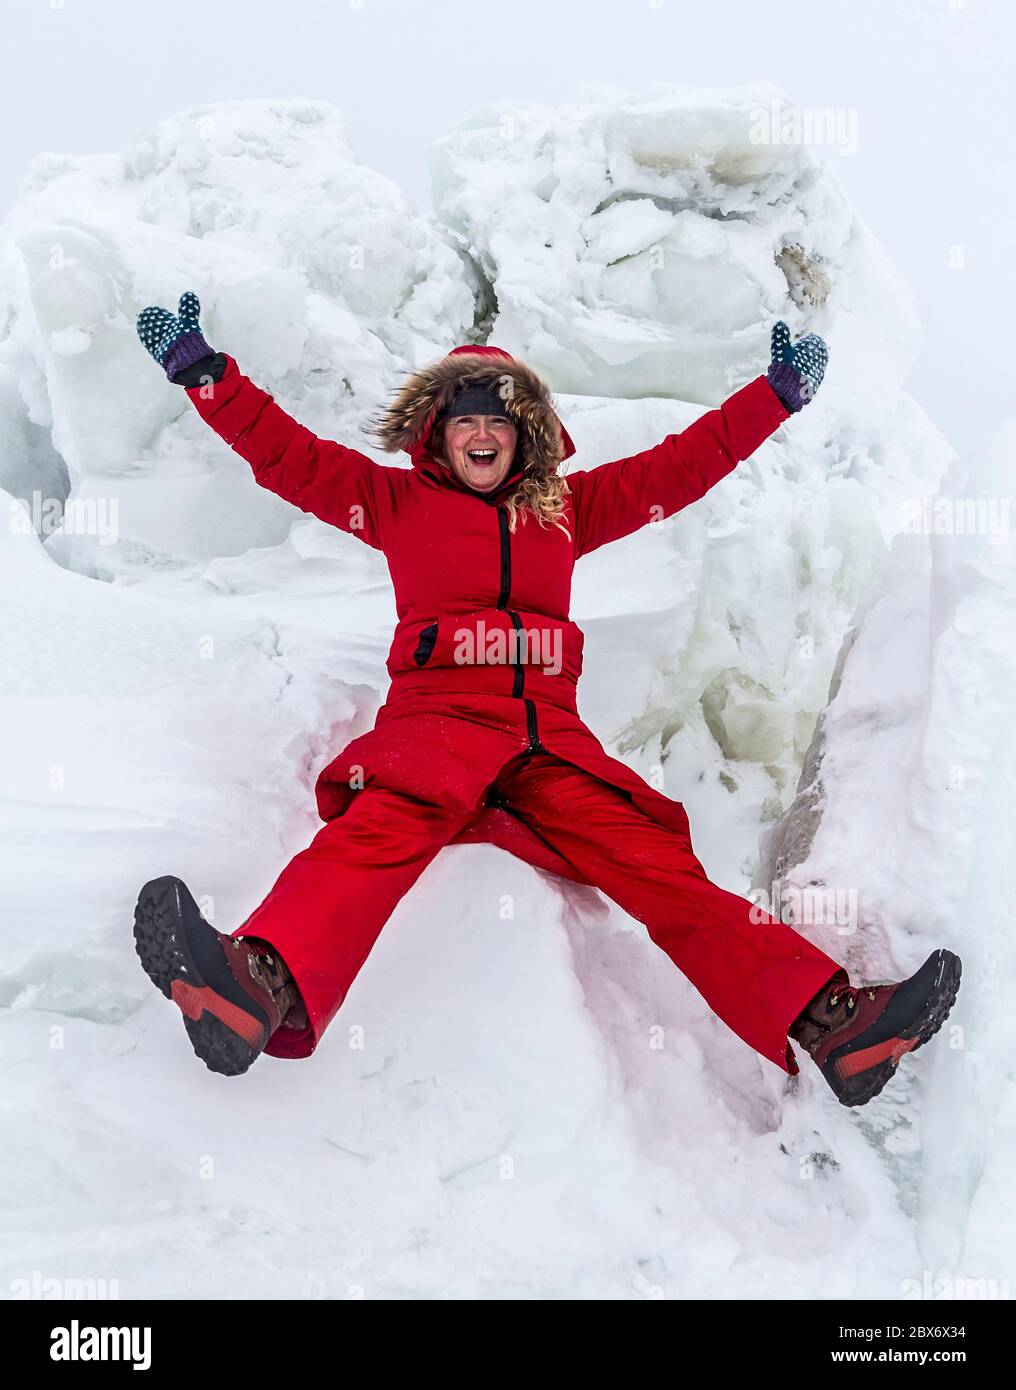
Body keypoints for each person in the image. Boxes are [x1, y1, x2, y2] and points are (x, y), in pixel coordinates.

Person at [132, 292, 960, 1106]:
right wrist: (209, 376)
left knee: (663, 872)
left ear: (525, 436)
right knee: (374, 835)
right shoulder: (396, 504)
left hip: (549, 745)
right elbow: (289, 456)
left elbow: (682, 465)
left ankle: (831, 1024)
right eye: (465, 420)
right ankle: (256, 983)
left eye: (500, 421)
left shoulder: (566, 511)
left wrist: (772, 397)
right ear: (437, 434)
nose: (483, 433)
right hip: (437, 727)